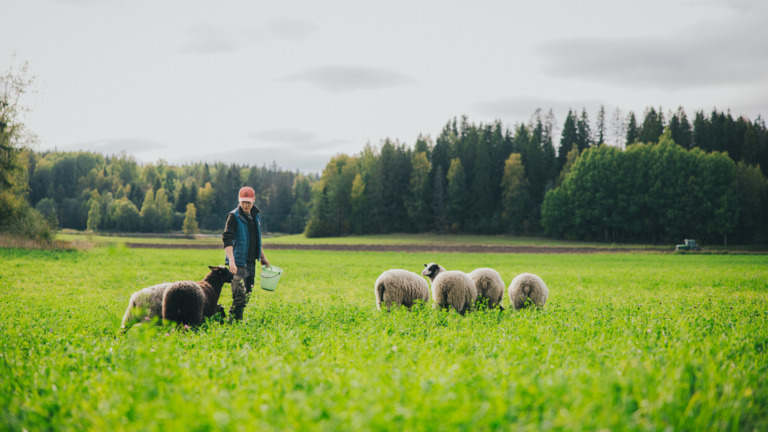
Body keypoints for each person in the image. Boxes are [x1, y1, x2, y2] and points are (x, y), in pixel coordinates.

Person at [222, 186, 269, 322]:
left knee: (248, 293)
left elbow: (254, 240)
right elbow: (227, 238)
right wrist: (231, 260)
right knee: (239, 294)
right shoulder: (233, 217)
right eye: (243, 202)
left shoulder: (255, 217)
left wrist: (263, 257)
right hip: (237, 263)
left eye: (248, 202)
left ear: (254, 200)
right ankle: (233, 322)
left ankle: (232, 320)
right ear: (239, 200)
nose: (246, 205)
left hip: (251, 262)